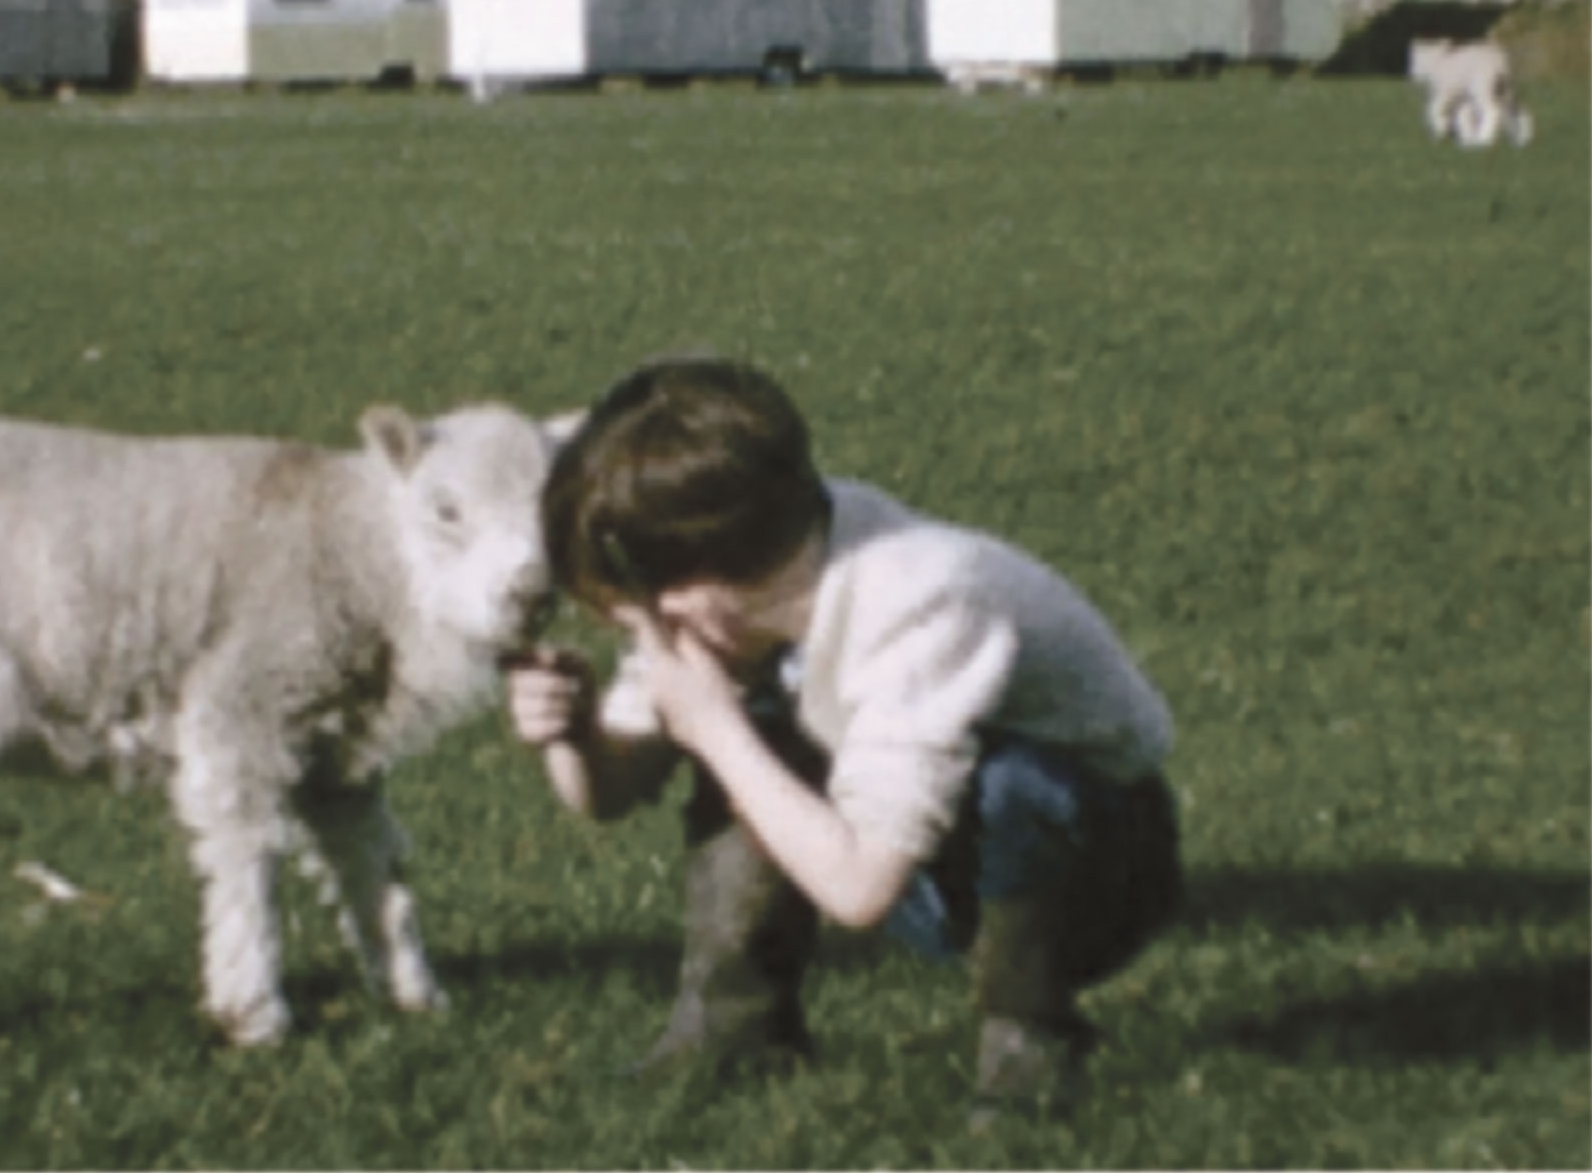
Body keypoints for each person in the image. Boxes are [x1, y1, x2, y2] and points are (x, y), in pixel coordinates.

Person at [504, 357, 1181, 1126]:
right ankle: (735, 1030)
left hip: (1093, 871)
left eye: (634, 616)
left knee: (1002, 782)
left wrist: (716, 729)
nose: (642, 637)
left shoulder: (920, 598)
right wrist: (572, 736)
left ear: (690, 592)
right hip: (913, 847)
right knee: (753, 727)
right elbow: (610, 795)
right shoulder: (755, 578)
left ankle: (1029, 1049)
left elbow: (861, 892)